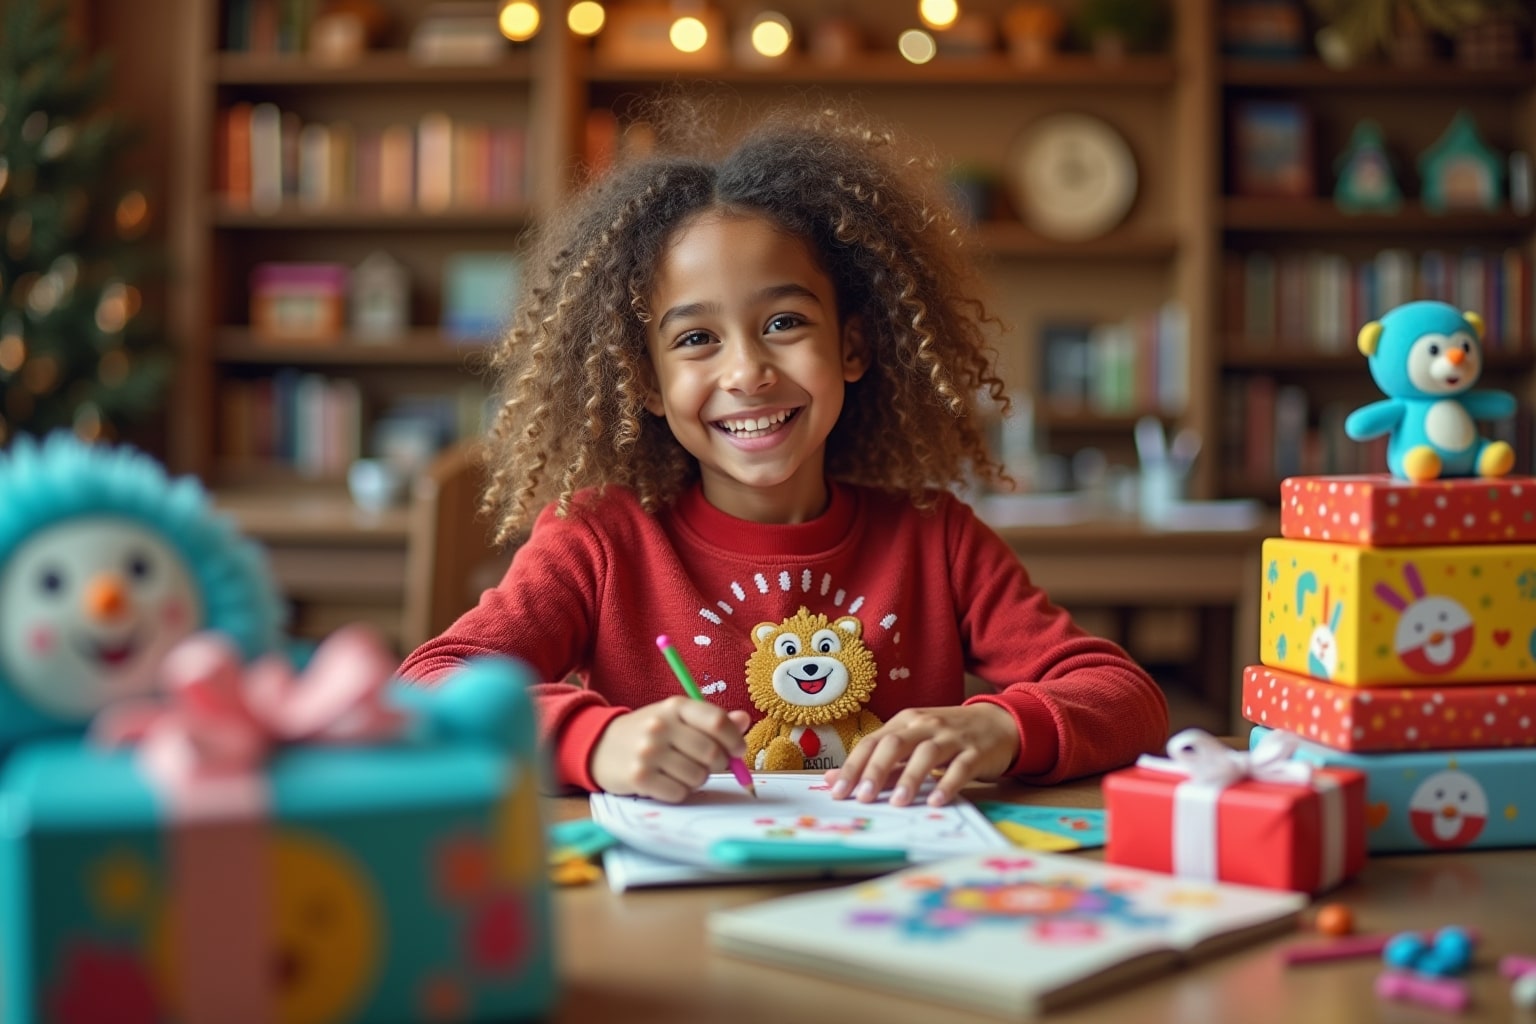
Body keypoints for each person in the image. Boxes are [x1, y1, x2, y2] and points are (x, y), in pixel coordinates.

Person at [398, 102, 1168, 807]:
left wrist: (1000, 728)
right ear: (649, 384)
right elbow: (432, 686)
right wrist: (594, 741)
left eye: (785, 323)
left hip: (879, 911)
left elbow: (1123, 695)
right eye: (697, 339)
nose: (746, 373)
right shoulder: (597, 537)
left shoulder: (937, 539)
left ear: (853, 346)